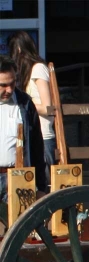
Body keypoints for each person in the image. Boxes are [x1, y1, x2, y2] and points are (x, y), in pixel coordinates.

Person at [9, 31, 57, 189]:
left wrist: (26, 103)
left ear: (19, 50)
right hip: (26, 138)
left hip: (42, 136)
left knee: (43, 186)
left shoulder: (38, 69)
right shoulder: (24, 73)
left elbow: (47, 106)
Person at [0, 55, 46, 206]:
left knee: (18, 227)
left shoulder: (25, 103)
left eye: (12, 83)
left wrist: (40, 186)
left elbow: (37, 147)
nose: (9, 89)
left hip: (17, 176)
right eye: (3, 85)